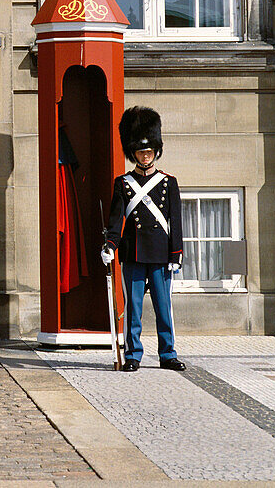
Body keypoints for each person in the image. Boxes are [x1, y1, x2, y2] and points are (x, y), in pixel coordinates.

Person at [101, 106, 185, 372]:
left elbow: (176, 222)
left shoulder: (168, 182)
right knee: (133, 309)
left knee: (164, 308)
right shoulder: (123, 183)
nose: (145, 156)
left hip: (161, 255)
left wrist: (176, 254)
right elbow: (116, 221)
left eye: (149, 152)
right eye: (140, 152)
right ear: (133, 154)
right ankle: (133, 354)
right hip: (134, 254)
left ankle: (168, 353)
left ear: (155, 152)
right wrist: (110, 245)